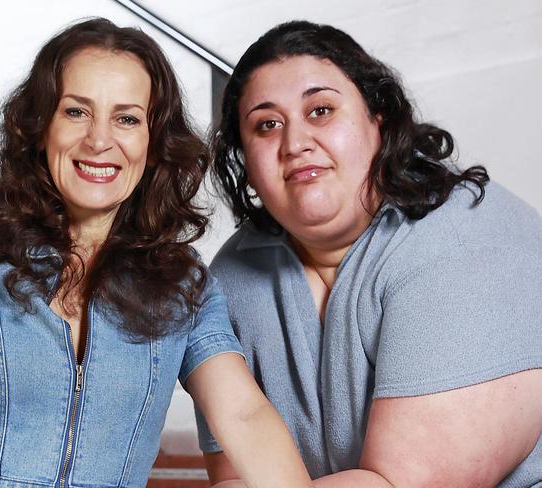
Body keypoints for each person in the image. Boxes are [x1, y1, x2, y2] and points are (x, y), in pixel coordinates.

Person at [0, 18, 314, 488]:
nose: (98, 140)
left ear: (153, 145)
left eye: (127, 119)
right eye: (76, 112)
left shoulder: (183, 285)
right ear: (40, 126)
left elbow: (244, 415)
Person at [197, 20, 542, 487]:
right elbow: (238, 477)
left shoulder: (468, 242)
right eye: (267, 124)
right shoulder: (233, 277)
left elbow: (400, 484)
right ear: (244, 159)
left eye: (320, 110)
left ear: (377, 119)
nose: (295, 143)